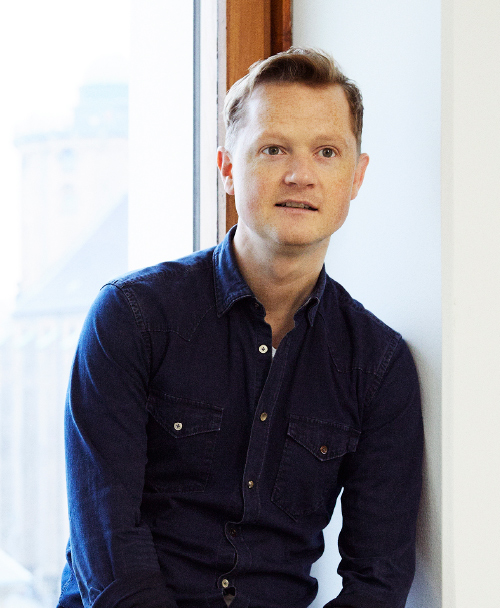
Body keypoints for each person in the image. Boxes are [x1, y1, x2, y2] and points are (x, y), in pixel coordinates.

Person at [57, 48, 423, 608]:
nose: (300, 175)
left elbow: (379, 580)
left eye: (327, 152)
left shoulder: (377, 364)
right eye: (273, 149)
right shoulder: (131, 318)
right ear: (228, 169)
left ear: (356, 175)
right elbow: (107, 550)